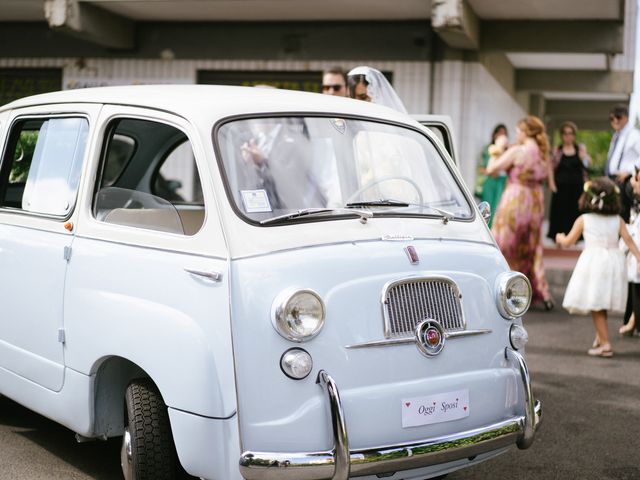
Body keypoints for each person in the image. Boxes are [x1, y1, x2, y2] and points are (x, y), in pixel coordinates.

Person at [556, 177, 640, 358]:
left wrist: (560, 238)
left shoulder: (584, 219)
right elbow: (629, 241)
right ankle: (600, 336)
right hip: (613, 262)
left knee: (596, 303)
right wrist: (639, 258)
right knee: (601, 301)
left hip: (594, 262)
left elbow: (569, 242)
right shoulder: (617, 220)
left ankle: (605, 344)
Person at [487, 116, 554, 310]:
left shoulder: (519, 151)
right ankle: (535, 290)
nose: (516, 134)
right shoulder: (543, 155)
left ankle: (501, 287)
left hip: (516, 201)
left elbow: (492, 169)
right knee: (531, 247)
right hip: (534, 203)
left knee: (505, 244)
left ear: (525, 132)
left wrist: (497, 148)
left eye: (518, 131)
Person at [547, 121, 592, 240]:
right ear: (561, 135)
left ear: (574, 135)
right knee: (559, 213)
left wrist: (584, 157)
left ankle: (574, 237)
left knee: (575, 212)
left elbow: (588, 164)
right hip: (560, 187)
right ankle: (558, 238)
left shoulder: (579, 149)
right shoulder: (557, 150)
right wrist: (551, 184)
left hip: (577, 188)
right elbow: (550, 167)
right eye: (565, 133)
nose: (568, 136)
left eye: (570, 133)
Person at [605, 104, 640, 222]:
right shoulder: (616, 136)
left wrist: (629, 171)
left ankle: (625, 239)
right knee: (614, 211)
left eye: (618, 117)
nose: (615, 121)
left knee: (623, 212)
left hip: (627, 180)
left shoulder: (634, 135)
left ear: (626, 117)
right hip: (614, 179)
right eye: (612, 118)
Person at [476, 124, 509, 227]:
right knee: (487, 208)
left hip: (502, 182)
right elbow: (480, 168)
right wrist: (491, 172)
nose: (501, 135)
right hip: (489, 181)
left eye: (504, 133)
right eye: (499, 133)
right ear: (494, 134)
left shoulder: (508, 151)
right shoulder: (487, 149)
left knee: (499, 209)